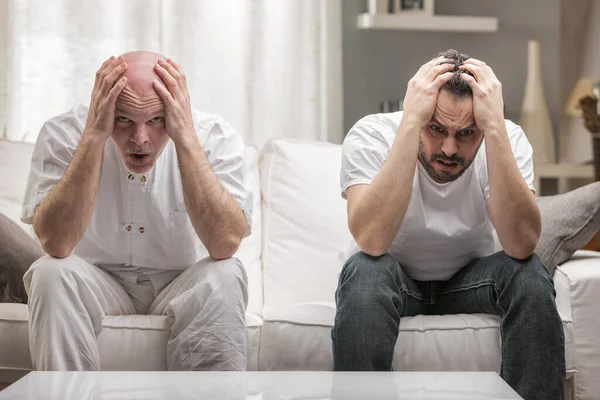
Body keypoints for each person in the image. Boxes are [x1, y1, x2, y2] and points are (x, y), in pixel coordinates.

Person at [331, 49, 565, 400]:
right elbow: (371, 239)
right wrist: (411, 124)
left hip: (470, 281)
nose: (450, 148)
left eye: (467, 133)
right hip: (393, 281)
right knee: (364, 270)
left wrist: (494, 128)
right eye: (437, 128)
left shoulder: (503, 136)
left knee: (529, 272)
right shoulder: (373, 134)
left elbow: (521, 244)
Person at [20, 51, 252, 371]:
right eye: (124, 119)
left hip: (182, 285)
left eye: (156, 120)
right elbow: (55, 243)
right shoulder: (64, 133)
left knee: (226, 272)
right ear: (104, 107)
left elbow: (225, 242)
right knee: (50, 272)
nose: (140, 139)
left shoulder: (214, 135)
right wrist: (94, 135)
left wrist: (184, 137)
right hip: (98, 283)